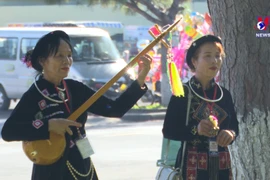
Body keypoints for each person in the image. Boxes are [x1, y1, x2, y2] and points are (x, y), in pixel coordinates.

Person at [1, 30, 152, 180]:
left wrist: (140, 79)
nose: (66, 61)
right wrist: (48, 125)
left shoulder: (75, 89)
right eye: (59, 56)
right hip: (51, 171)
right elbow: (9, 131)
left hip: (82, 167)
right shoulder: (35, 94)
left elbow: (114, 109)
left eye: (69, 55)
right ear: (42, 61)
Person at [162, 35, 239, 180]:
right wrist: (195, 129)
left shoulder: (224, 94)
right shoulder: (182, 93)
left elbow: (234, 126)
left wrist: (230, 133)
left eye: (218, 56)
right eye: (207, 56)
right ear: (194, 61)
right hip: (191, 165)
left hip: (221, 164)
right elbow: (169, 131)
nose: (214, 61)